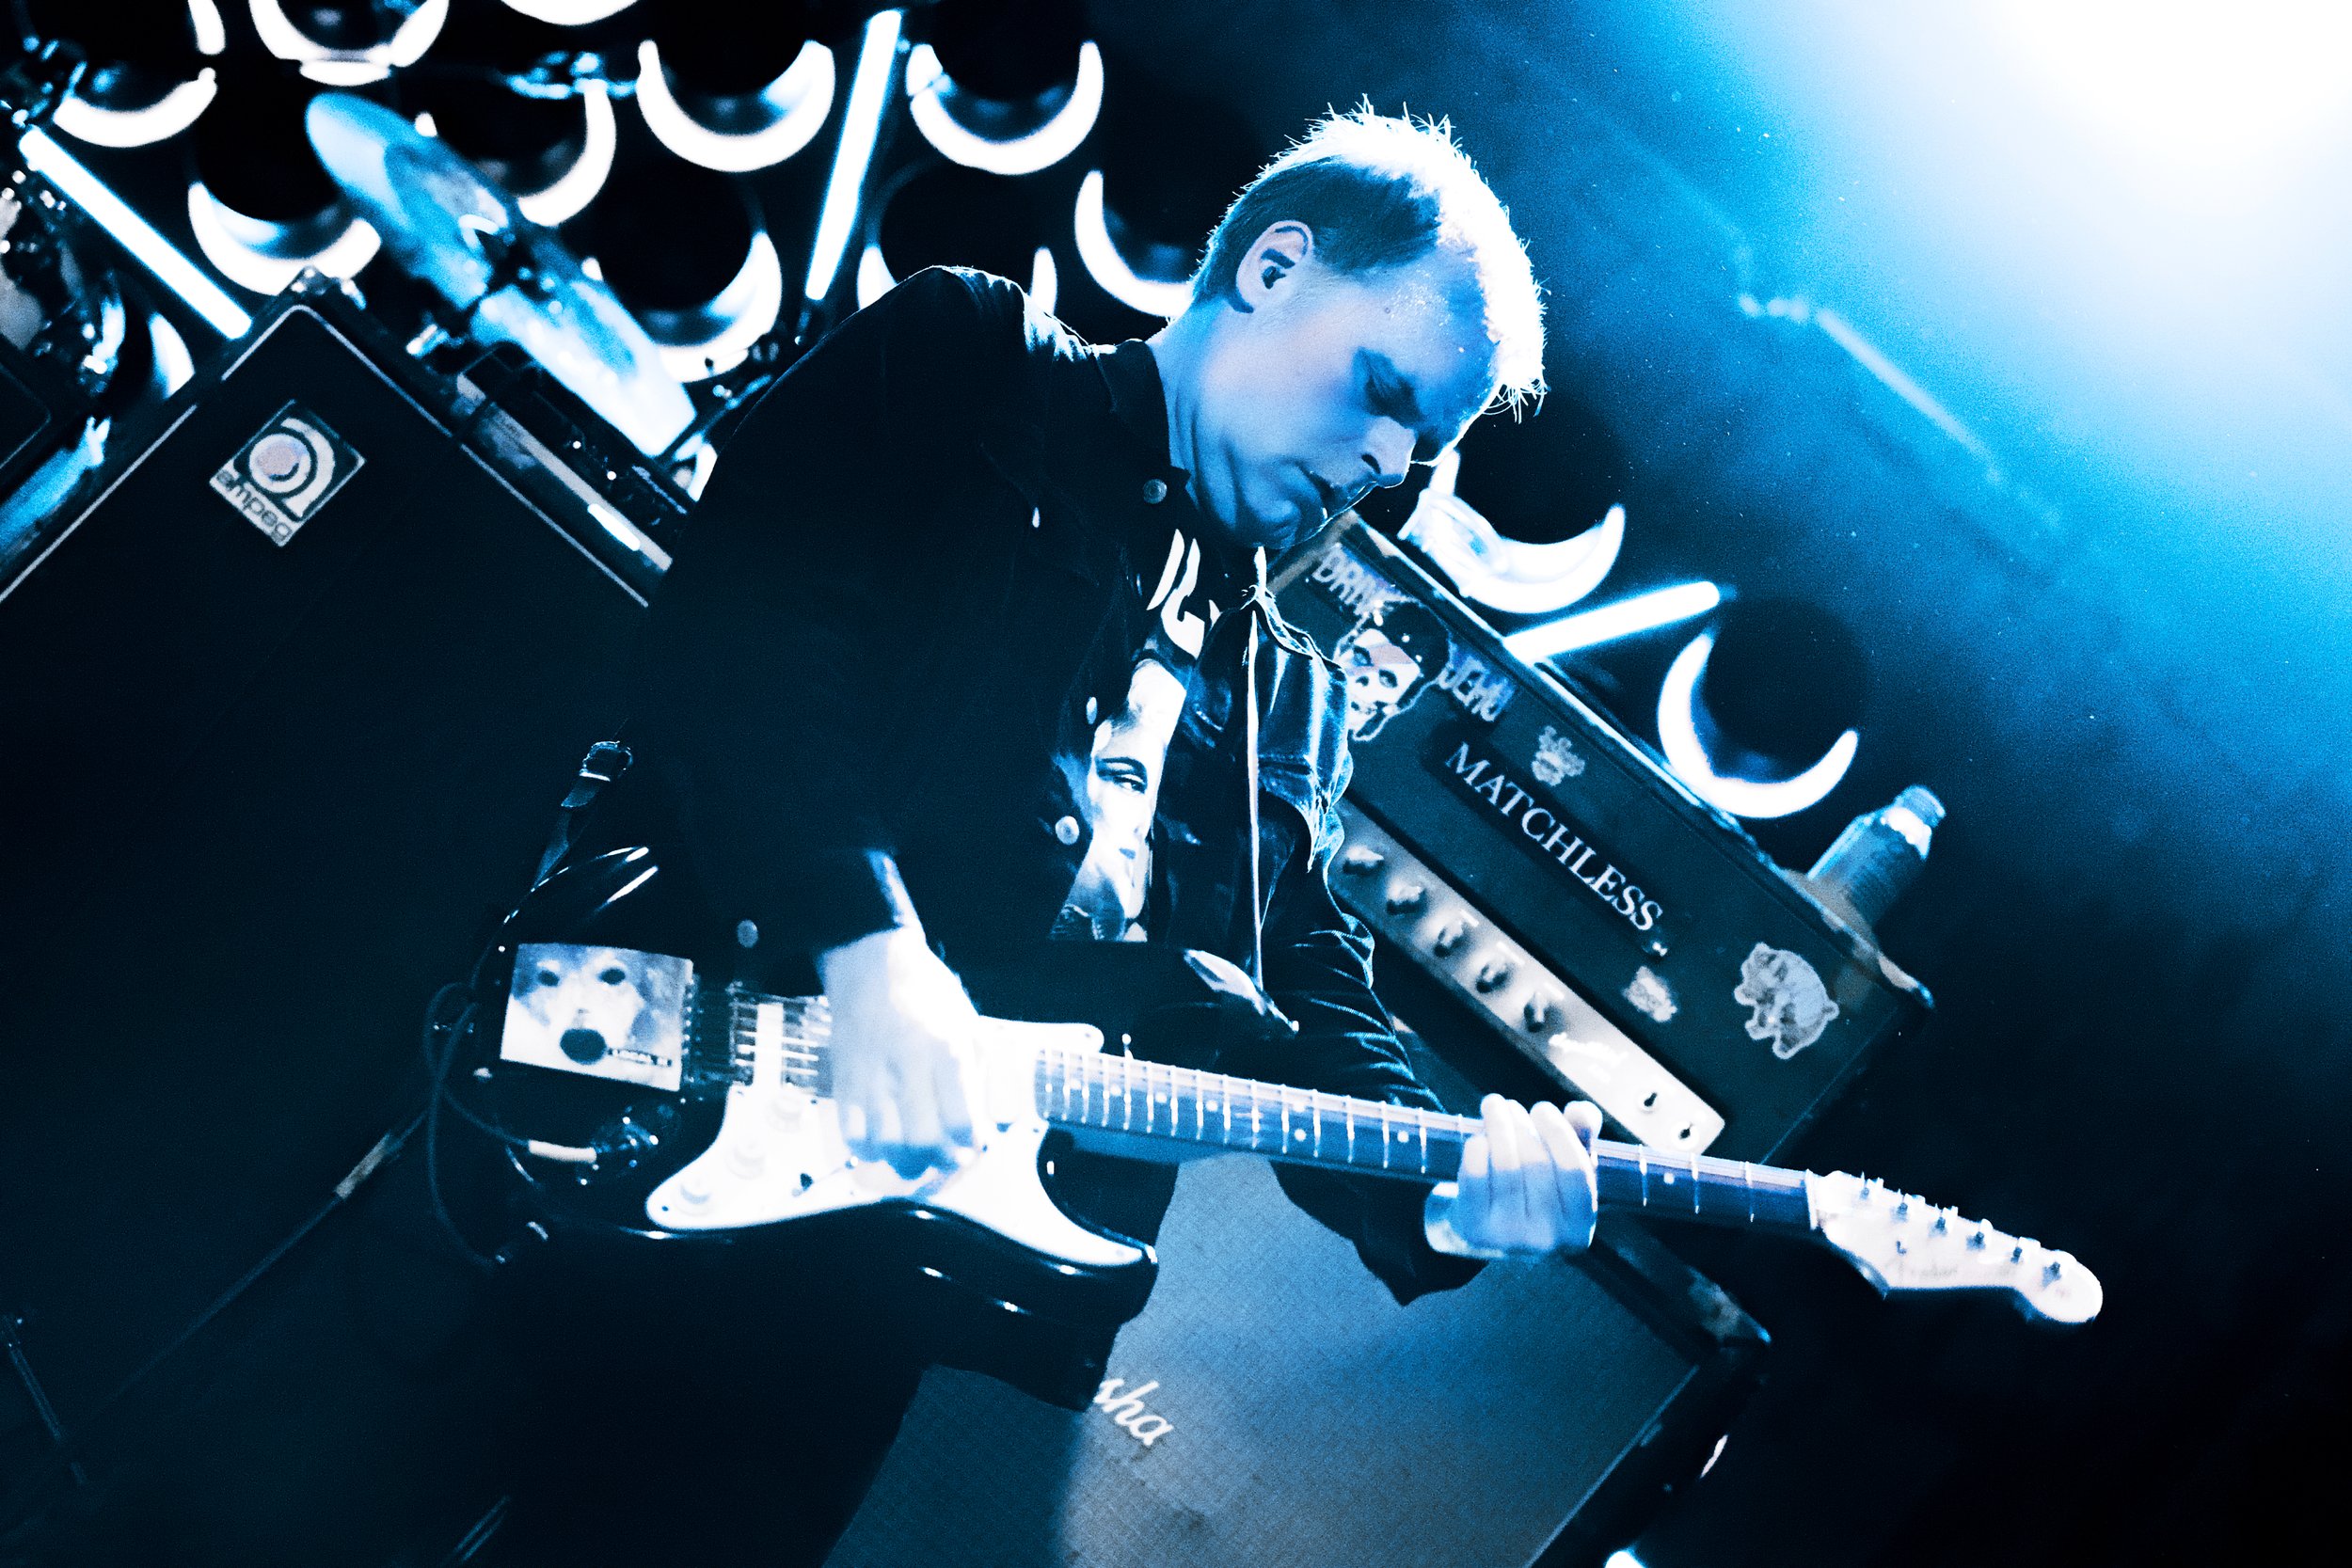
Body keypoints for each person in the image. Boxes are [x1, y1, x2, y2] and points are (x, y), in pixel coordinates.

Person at [489, 107, 1604, 1566]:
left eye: (1424, 443)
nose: (1390, 464)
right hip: (626, 1078)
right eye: (1384, 390)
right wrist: (872, 952)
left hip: (868, 1293)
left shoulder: (1286, 699)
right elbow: (754, 647)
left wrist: (1454, 1200)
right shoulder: (971, 366)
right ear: (1272, 270)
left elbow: (1308, 1001)